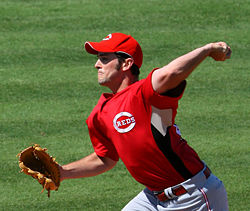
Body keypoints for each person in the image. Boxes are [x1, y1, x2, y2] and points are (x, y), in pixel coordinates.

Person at [60, 33, 231, 210]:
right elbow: (105, 159)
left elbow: (172, 72)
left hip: (194, 195)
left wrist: (208, 49)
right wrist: (63, 172)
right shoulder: (100, 112)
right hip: (152, 198)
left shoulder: (146, 93)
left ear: (126, 63)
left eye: (104, 59)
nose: (97, 65)